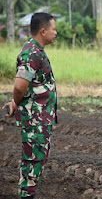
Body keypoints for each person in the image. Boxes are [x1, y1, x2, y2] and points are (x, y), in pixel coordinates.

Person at [2, 12, 57, 199]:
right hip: (34, 119)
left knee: (37, 160)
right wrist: (15, 103)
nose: (55, 33)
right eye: (53, 29)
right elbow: (20, 85)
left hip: (40, 118)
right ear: (43, 31)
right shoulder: (31, 53)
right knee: (32, 161)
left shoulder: (36, 51)